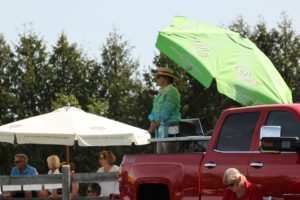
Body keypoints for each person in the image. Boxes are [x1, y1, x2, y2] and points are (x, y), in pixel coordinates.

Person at [148, 67, 181, 153]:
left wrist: (153, 125)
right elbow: (153, 112)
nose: (156, 79)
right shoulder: (160, 92)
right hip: (159, 130)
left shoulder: (172, 91)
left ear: (165, 78)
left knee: (169, 158)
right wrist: (152, 121)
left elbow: (166, 111)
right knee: (161, 159)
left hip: (170, 129)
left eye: (158, 77)